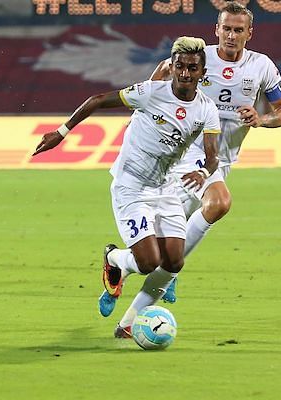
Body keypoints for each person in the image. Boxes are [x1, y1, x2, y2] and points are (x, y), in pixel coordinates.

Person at [105, 1, 281, 311]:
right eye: (226, 29)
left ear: (249, 33)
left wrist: (262, 120)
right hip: (187, 151)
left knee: (168, 240)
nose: (231, 35)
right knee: (218, 203)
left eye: (238, 30)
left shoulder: (262, 66)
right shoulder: (198, 59)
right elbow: (162, 74)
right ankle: (163, 275)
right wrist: (149, 108)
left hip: (223, 158)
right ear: (217, 30)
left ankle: (120, 265)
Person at [34, 37, 221, 338]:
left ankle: (129, 324)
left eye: (193, 68)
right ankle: (114, 259)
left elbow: (213, 158)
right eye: (180, 67)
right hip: (131, 185)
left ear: (202, 72)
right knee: (149, 262)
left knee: (174, 260)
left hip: (164, 187)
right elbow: (97, 100)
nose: (186, 73)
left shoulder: (206, 110)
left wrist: (202, 173)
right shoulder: (149, 93)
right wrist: (61, 132)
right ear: (171, 68)